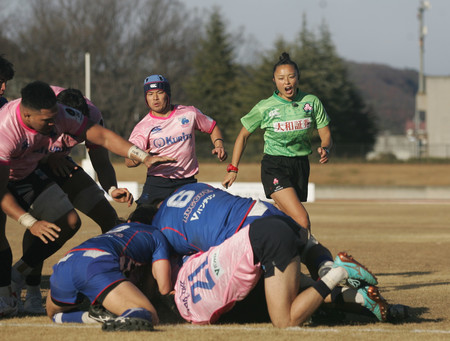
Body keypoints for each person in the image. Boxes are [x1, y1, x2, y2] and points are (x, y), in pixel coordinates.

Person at [0, 81, 174, 317]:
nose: (54, 128)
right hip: (13, 174)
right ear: (27, 114)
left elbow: (101, 139)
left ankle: (116, 284)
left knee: (75, 221)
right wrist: (29, 221)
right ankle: (18, 291)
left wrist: (142, 158)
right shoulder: (5, 131)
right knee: (23, 229)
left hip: (34, 169)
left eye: (56, 120)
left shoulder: (64, 112)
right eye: (47, 122)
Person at [132, 183, 388, 324]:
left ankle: (339, 275)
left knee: (283, 301)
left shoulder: (159, 230)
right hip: (260, 210)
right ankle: (337, 277)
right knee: (307, 245)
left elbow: (189, 265)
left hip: (249, 233)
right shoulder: (190, 188)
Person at [15, 86, 134, 314]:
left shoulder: (93, 117)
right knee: (43, 223)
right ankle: (29, 290)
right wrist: (49, 158)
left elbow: (101, 160)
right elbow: (19, 148)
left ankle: (115, 284)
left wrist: (112, 189)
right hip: (31, 167)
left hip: (62, 165)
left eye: (75, 135)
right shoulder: (40, 107)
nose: (68, 138)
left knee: (108, 216)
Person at [222, 52, 332, 230]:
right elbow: (242, 136)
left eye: (291, 77)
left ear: (298, 77)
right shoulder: (265, 107)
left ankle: (257, 239)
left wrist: (325, 147)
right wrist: (233, 169)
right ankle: (314, 257)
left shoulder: (311, 102)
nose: (287, 82)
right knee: (302, 220)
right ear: (274, 80)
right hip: (275, 165)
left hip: (301, 165)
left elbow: (325, 132)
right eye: (281, 78)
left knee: (285, 219)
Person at [46, 215, 172, 331]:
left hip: (65, 262)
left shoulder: (116, 230)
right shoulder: (155, 233)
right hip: (95, 265)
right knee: (149, 314)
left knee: (54, 315)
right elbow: (164, 288)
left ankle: (92, 317)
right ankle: (115, 318)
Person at [125, 75, 227, 206]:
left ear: (167, 94)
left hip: (187, 182)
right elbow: (128, 161)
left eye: (159, 93)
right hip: (158, 183)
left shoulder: (189, 113)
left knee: (191, 223)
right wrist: (143, 157)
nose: (155, 98)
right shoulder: (143, 126)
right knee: (140, 221)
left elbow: (212, 127)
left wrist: (219, 145)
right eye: (150, 94)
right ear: (146, 98)